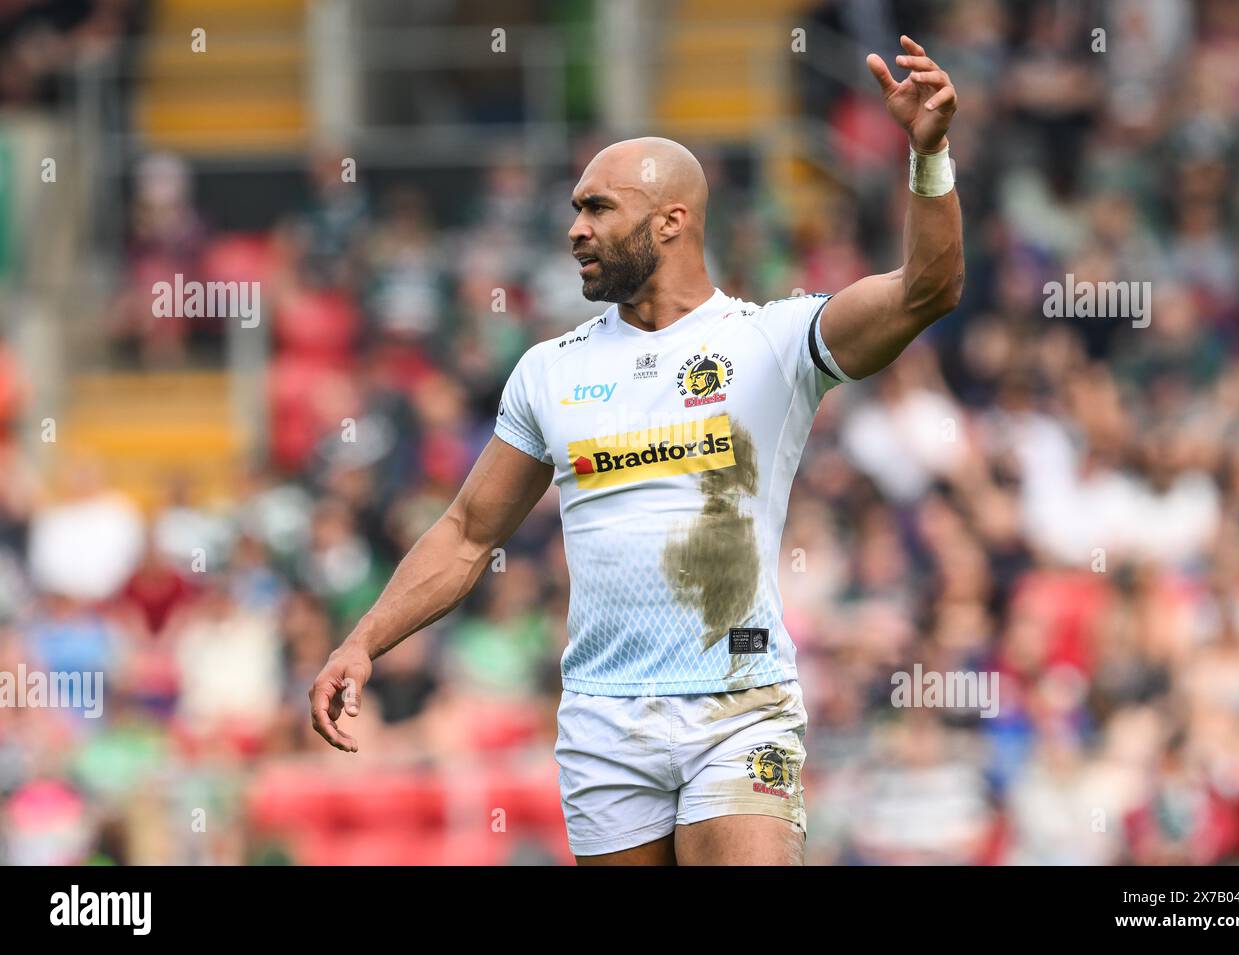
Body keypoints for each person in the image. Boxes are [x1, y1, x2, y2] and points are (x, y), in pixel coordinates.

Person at [309, 36, 964, 866]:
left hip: (738, 704)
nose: (575, 230)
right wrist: (362, 640)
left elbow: (927, 288)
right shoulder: (550, 370)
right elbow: (470, 531)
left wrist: (930, 154)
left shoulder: (772, 340)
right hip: (602, 717)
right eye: (576, 210)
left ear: (672, 220)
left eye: (596, 209)